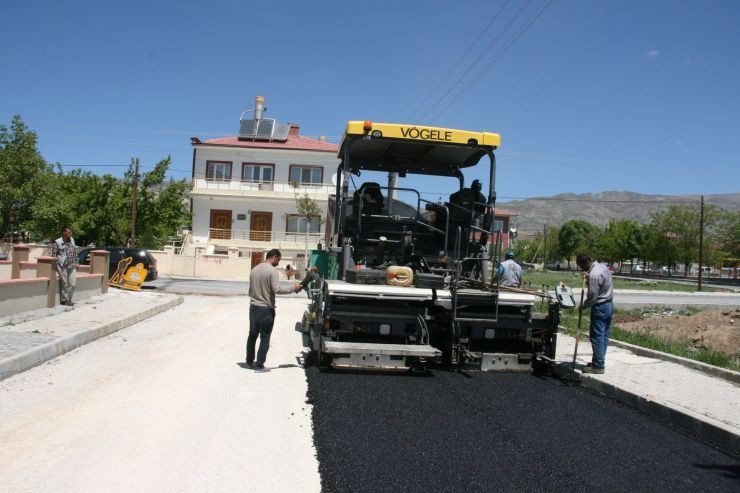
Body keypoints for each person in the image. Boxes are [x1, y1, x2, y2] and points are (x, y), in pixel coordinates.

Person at [246, 249, 302, 371]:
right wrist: (293, 288)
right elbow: (277, 289)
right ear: (274, 257)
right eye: (279, 260)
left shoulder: (254, 269)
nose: (278, 263)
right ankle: (259, 365)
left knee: (252, 335)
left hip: (253, 308)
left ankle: (249, 361)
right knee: (265, 338)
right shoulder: (272, 271)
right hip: (266, 310)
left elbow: (250, 291)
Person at [576, 253, 614, 374]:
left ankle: (598, 366)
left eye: (581, 267)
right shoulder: (602, 267)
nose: (582, 270)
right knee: (604, 336)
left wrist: (583, 306)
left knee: (596, 336)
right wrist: (587, 279)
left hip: (600, 307)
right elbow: (599, 285)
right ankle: (598, 360)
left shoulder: (594, 275)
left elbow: (592, 296)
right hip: (609, 304)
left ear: (585, 263)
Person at [52, 226, 77, 306]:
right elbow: (54, 255)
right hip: (63, 266)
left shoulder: (72, 240)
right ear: (64, 232)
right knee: (65, 284)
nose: (70, 234)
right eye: (69, 232)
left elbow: (74, 252)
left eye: (71, 232)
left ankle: (69, 299)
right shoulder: (57, 242)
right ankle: (64, 300)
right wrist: (57, 266)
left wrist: (76, 262)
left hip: (72, 265)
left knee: (72, 284)